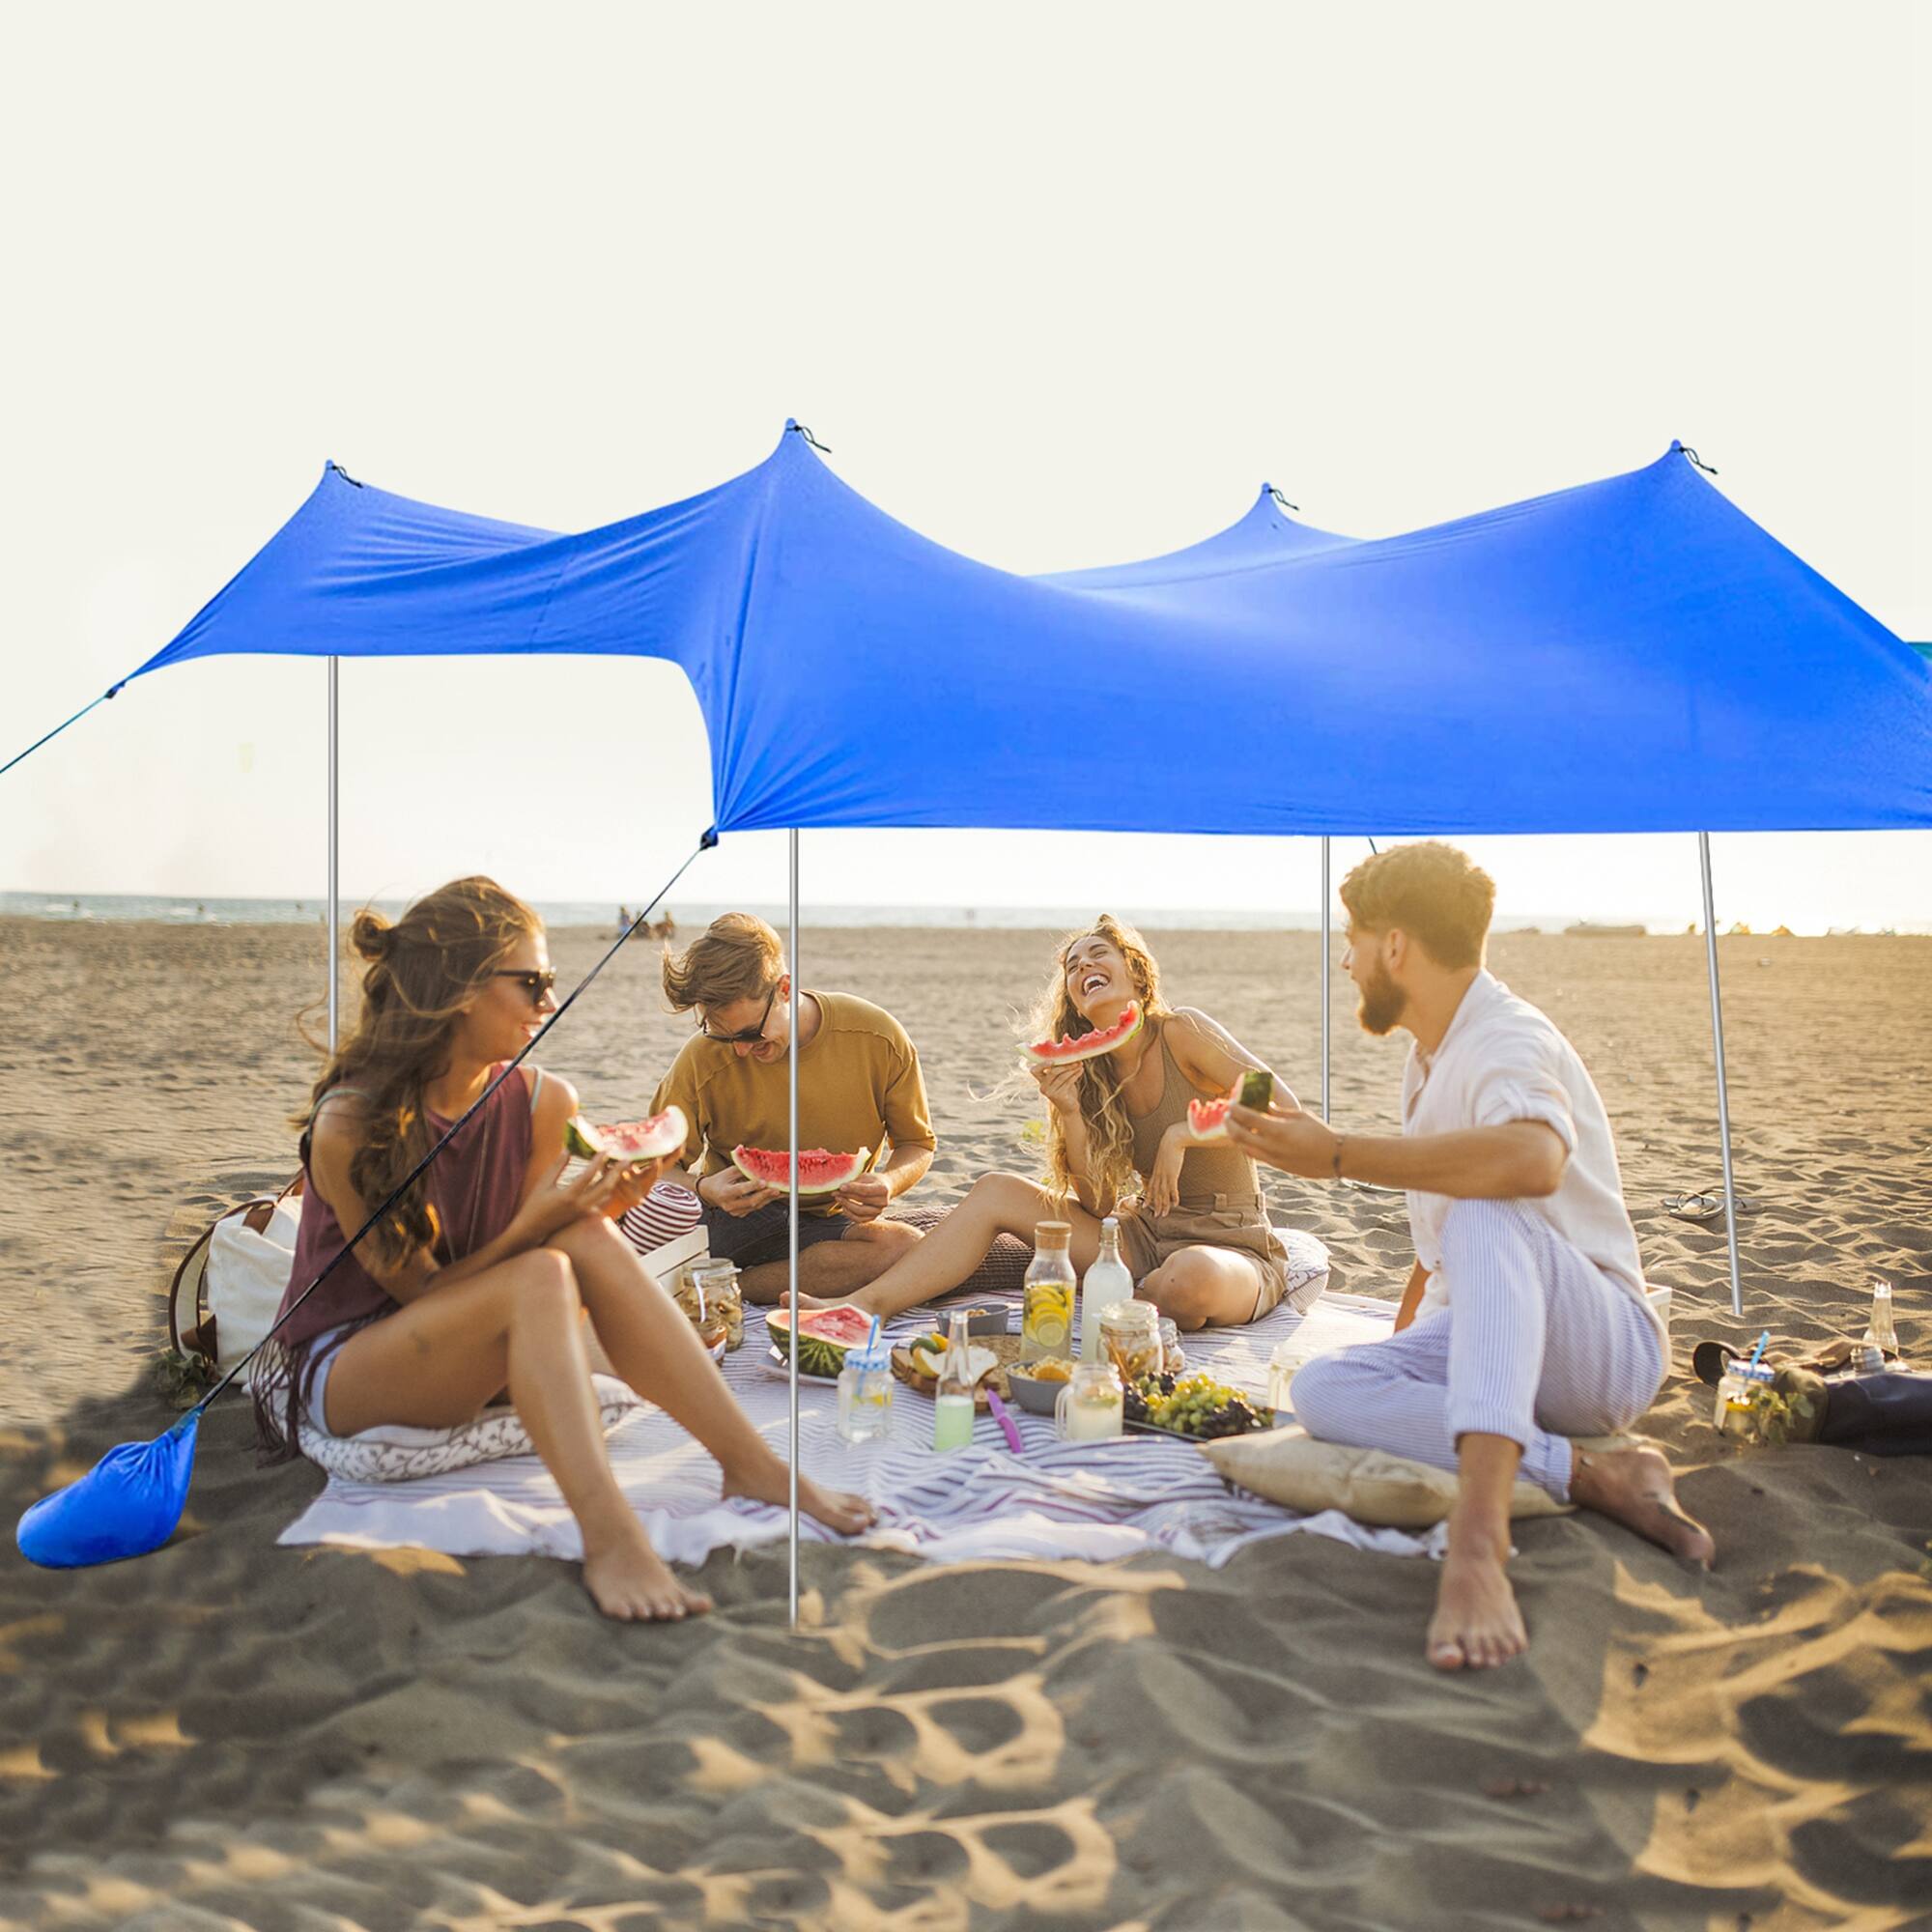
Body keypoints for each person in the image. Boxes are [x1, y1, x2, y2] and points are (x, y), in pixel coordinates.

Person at [254, 877, 873, 1624]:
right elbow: (421, 1292)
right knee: (547, 1266)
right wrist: (537, 1230)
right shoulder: (351, 1124)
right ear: (458, 989)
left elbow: (520, 1254)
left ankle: (751, 1466)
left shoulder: (544, 1103)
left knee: (577, 1239)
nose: (549, 1002)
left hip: (472, 1343)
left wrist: (602, 1210)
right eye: (533, 982)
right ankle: (610, 1535)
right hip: (352, 1364)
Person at [1222, 841, 1714, 1673]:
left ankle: (1478, 1551)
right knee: (1326, 1386)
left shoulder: (1507, 1038)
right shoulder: (1432, 1057)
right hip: (1504, 1340)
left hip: (1603, 1351)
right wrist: (1399, 1352)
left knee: (1489, 1212)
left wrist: (1335, 1153)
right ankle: (1597, 1475)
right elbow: (1438, 1254)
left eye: (1354, 937)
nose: (1346, 960)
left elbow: (1531, 1163)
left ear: (1396, 947)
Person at [838, 915, 1304, 1327]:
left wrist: (1182, 1135)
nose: (1083, 968)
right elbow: (1099, 1204)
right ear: (1077, 1005)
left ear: (1138, 975)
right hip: (1140, 1238)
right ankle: (862, 1306)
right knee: (996, 1188)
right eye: (1073, 967)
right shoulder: (1090, 1074)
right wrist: (1070, 1111)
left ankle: (1136, 1298)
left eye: (1098, 955)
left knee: (1191, 1277)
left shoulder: (1182, 1030)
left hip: (1229, 1243)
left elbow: (1278, 1103)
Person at [652, 914, 934, 1304]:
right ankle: (717, 1280)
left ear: (784, 988)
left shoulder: (877, 1037)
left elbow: (916, 1144)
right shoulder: (702, 1058)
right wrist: (705, 1188)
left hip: (824, 1223)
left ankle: (730, 1289)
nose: (740, 1050)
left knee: (904, 1247)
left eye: (751, 1033)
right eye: (723, 1035)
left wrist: (888, 1182)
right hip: (729, 1219)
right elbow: (655, 1168)